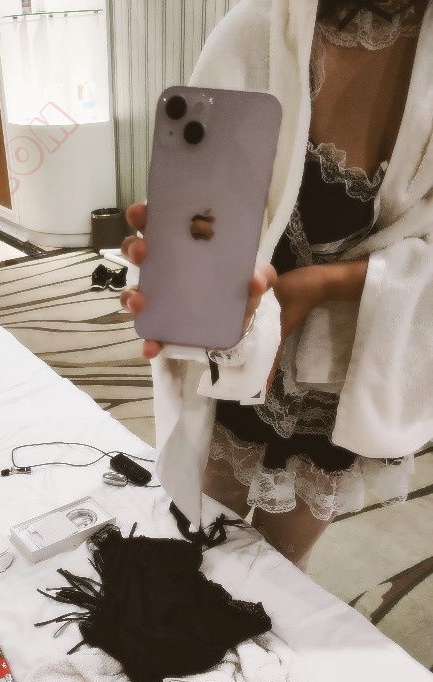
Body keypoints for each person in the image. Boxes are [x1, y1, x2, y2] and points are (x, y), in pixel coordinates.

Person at [120, 0, 432, 569]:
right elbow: (200, 211)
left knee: (281, 568)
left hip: (347, 362)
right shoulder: (255, 31)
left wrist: (320, 284)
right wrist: (185, 260)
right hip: (241, 337)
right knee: (199, 534)